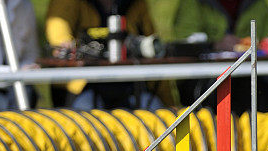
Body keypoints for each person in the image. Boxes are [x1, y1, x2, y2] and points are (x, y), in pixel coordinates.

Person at [45, 0, 176, 110]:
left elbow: (154, 51)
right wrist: (74, 48)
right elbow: (58, 37)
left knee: (156, 110)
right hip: (83, 89)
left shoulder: (137, 4)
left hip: (132, 87)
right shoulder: (68, 3)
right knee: (84, 115)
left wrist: (170, 106)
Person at [170, 0, 268, 50]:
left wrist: (261, 45)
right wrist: (214, 45)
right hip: (208, 77)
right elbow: (184, 44)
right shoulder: (192, 4)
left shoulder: (258, 4)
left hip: (253, 73)